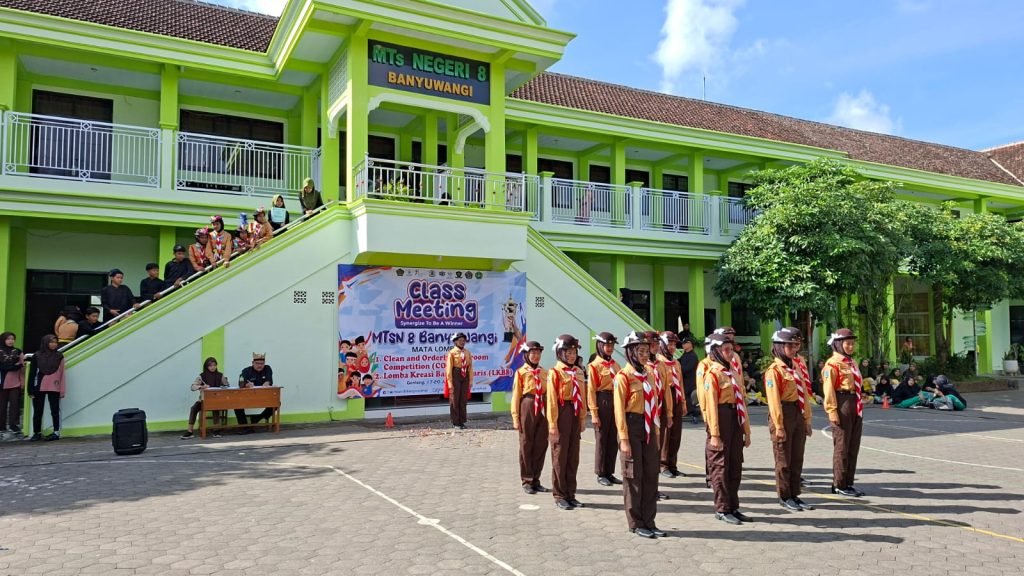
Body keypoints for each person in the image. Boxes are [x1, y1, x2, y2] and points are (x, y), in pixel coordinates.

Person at [614, 331, 667, 539]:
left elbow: (653, 403)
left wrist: (655, 430)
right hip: (632, 425)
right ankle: (636, 522)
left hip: (648, 427)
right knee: (634, 476)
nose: (645, 355)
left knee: (651, 474)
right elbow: (619, 410)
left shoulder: (649, 374)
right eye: (641, 351)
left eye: (646, 351)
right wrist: (624, 439)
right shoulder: (623, 377)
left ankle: (650, 520)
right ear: (631, 352)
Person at [703, 331, 752, 525]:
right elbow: (711, 406)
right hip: (721, 418)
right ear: (716, 351)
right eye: (725, 350)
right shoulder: (712, 374)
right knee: (720, 466)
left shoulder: (732, 371)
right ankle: (722, 508)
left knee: (735, 464)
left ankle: (734, 506)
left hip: (735, 418)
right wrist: (714, 434)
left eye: (731, 349)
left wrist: (746, 431)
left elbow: (742, 402)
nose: (730, 353)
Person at [764, 328, 814, 512]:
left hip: (797, 412)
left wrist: (807, 419)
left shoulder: (795, 367)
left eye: (795, 345)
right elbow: (774, 401)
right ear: (779, 346)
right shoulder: (774, 371)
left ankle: (795, 494)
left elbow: (804, 395)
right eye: (790, 345)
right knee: (783, 458)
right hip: (783, 414)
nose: (794, 349)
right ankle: (785, 496)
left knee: (796, 457)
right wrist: (778, 425)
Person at [822, 328, 865, 498]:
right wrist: (832, 412)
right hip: (842, 403)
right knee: (842, 446)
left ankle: (849, 482)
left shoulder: (851, 362)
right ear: (839, 344)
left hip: (855, 403)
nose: (850, 346)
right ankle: (839, 483)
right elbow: (829, 390)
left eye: (852, 343)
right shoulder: (832, 364)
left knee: (853, 445)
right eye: (847, 343)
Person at [546, 334, 586, 510]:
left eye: (574, 352)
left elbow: (582, 396)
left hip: (575, 413)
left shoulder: (578, 371)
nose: (572, 355)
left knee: (573, 456)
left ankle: (571, 493)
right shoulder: (555, 373)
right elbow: (552, 401)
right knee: (560, 456)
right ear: (560, 353)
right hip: (561, 413)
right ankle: (560, 494)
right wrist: (553, 424)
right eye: (568, 352)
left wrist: (583, 419)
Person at [511, 341, 549, 494]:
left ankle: (536, 479)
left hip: (543, 407)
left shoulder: (545, 372)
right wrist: (515, 417)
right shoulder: (521, 372)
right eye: (533, 353)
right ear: (527, 355)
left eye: (538, 353)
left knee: (541, 444)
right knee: (527, 443)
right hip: (528, 404)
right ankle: (527, 480)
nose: (536, 356)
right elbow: (516, 396)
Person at [587, 332, 621, 487]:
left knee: (613, 438)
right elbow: (591, 390)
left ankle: (609, 471)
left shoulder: (615, 364)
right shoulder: (594, 365)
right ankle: (601, 472)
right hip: (603, 400)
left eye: (612, 345)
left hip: (615, 400)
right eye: (606, 345)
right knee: (602, 438)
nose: (609, 348)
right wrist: (594, 412)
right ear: (600, 346)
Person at [657, 331, 686, 478]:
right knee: (666, 432)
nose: (672, 347)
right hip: (664, 397)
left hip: (676, 397)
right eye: (669, 344)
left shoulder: (676, 363)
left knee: (676, 433)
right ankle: (663, 464)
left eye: (674, 344)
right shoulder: (659, 362)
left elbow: (680, 383)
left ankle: (673, 463)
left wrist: (683, 402)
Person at [28, 334, 65, 441]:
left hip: (54, 385)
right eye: (51, 342)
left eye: (55, 342)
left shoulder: (59, 356)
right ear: (45, 343)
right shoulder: (37, 355)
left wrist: (62, 390)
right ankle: (37, 432)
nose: (54, 344)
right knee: (38, 411)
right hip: (38, 386)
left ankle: (56, 432)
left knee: (55, 410)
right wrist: (30, 389)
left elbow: (62, 374)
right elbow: (32, 373)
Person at [181, 357, 228, 439]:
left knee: (216, 407)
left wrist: (223, 385)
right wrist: (201, 387)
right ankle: (190, 431)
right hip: (203, 400)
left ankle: (216, 430)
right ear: (206, 367)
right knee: (194, 408)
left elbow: (227, 386)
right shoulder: (201, 376)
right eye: (210, 365)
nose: (213, 367)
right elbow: (192, 387)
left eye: (214, 365)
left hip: (216, 399)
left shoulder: (220, 375)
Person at [238, 353, 276, 428]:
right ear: (252, 363)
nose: (259, 365)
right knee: (236, 405)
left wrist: (267, 382)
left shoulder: (267, 368)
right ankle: (244, 427)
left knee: (276, 403)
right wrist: (246, 385)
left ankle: (257, 418)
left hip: (263, 397)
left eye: (262, 363)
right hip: (248, 397)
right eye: (257, 363)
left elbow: (269, 380)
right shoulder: (246, 371)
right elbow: (240, 382)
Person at [444, 333, 473, 429]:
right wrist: (450, 383)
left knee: (463, 399)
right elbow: (448, 369)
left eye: (463, 340)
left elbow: (470, 367)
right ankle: (455, 422)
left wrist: (470, 380)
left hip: (465, 376)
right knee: (455, 399)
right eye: (460, 340)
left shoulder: (467, 352)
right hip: (456, 374)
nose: (462, 342)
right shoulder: (452, 353)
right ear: (455, 341)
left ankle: (462, 421)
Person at [0, 332, 25, 439]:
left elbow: (22, 367)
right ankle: (1, 427)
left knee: (15, 405)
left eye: (12, 339)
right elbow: (3, 367)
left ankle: (14, 425)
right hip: (1, 383)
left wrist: (22, 382)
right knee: (1, 406)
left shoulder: (18, 351)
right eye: (8, 339)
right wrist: (14, 366)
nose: (10, 341)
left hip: (15, 383)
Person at [679, 337, 700, 422]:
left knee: (691, 399)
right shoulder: (684, 354)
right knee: (686, 398)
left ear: (690, 344)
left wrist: (679, 370)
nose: (683, 345)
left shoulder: (693, 356)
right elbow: (679, 362)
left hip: (691, 381)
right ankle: (693, 413)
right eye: (683, 343)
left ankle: (695, 413)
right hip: (684, 381)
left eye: (685, 343)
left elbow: (688, 368)